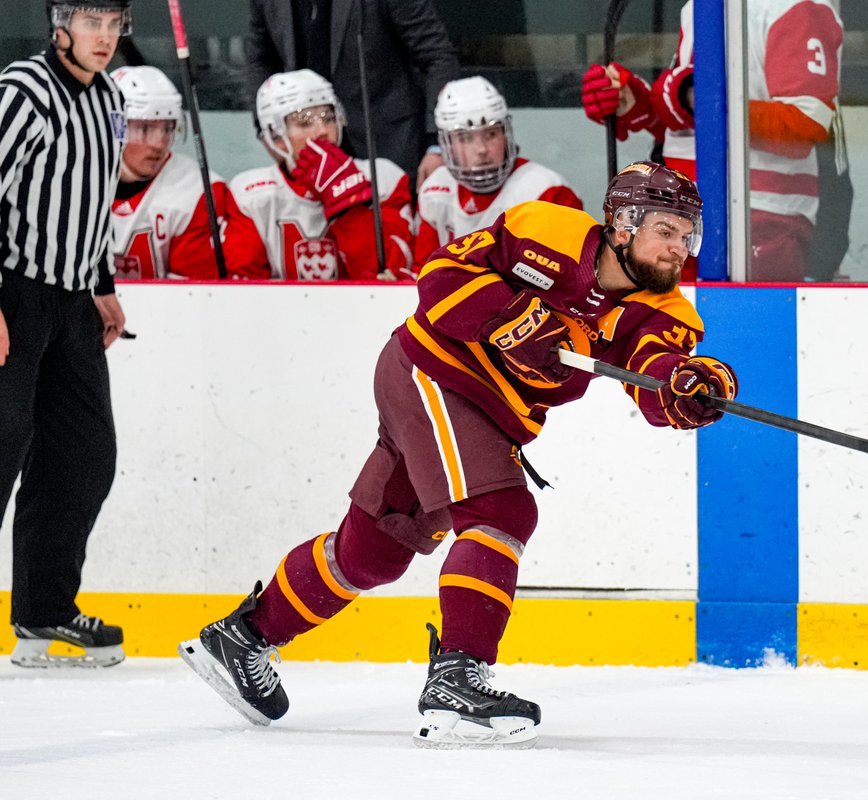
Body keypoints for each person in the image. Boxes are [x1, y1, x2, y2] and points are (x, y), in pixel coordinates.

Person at [179, 162, 739, 748]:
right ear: (623, 225)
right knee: (501, 513)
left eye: (687, 236)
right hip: (433, 369)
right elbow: (440, 274)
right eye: (667, 232)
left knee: (376, 551)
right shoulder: (545, 230)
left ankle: (242, 637)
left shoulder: (665, 311)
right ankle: (457, 675)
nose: (681, 249)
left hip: (484, 414)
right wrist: (511, 318)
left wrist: (690, 387)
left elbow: (655, 375)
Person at [0, 0, 131, 667]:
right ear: (61, 28)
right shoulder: (24, 91)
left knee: (82, 458)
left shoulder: (109, 96)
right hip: (14, 295)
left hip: (73, 301)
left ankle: (45, 613)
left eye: (114, 25)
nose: (104, 38)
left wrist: (101, 283)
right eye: (91, 24)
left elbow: (94, 198)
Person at [581, 0, 853, 282]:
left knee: (742, 324)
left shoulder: (796, 7)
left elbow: (806, 125)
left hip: (757, 221)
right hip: (678, 215)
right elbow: (694, 134)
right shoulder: (698, 8)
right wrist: (636, 106)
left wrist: (698, 100)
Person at [223, 69, 417, 281]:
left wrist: (347, 203)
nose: (323, 130)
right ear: (276, 136)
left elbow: (391, 276)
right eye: (305, 122)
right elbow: (244, 289)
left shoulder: (382, 179)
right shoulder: (250, 194)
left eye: (329, 118)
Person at [245, 0, 459, 187]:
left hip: (389, 147)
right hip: (310, 155)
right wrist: (266, 131)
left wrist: (437, 146)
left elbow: (437, 58)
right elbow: (260, 60)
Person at [413, 76, 584, 268]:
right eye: (466, 138)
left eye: (491, 134)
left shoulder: (547, 190)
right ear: (447, 144)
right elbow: (424, 272)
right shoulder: (435, 191)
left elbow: (572, 273)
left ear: (505, 133)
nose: (482, 149)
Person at [110, 66, 227, 281]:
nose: (159, 144)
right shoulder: (69, 182)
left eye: (167, 128)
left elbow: (194, 295)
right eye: (144, 129)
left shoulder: (196, 190)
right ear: (114, 127)